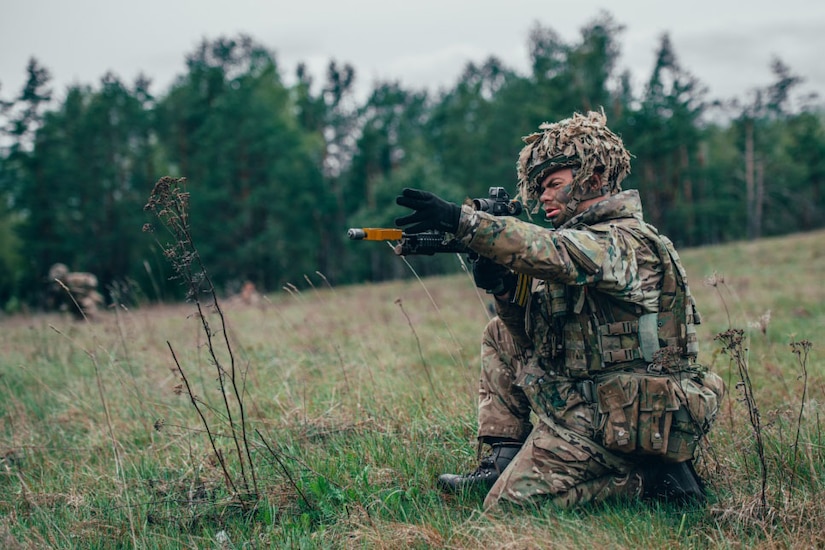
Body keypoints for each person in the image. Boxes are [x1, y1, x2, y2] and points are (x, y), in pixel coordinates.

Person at [394, 110, 725, 510]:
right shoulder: (578, 243)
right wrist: (500, 286)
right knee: (497, 332)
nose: (543, 197)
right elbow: (530, 335)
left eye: (554, 184)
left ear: (595, 179)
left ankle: (645, 479)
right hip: (584, 404)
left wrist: (462, 221)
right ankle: (501, 460)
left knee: (506, 508)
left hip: (627, 419)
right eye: (540, 188)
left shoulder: (625, 242)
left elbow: (553, 252)